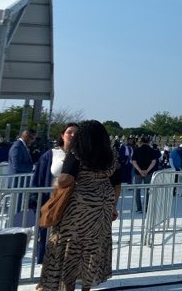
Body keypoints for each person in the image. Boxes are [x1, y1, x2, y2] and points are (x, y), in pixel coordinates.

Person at [39, 119, 122, 291]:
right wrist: (112, 206)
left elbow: (66, 179)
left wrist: (56, 183)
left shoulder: (78, 152)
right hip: (103, 205)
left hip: (79, 207)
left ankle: (67, 286)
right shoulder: (111, 155)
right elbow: (117, 184)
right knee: (93, 247)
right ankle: (86, 287)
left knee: (71, 247)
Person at [30, 122, 78, 265]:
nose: (73, 135)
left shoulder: (82, 156)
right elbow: (38, 179)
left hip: (72, 205)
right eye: (69, 132)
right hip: (52, 204)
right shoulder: (50, 155)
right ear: (62, 135)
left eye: (76, 133)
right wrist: (35, 202)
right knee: (48, 241)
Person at [131, 136, 157, 213]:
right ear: (149, 142)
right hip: (148, 173)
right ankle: (147, 207)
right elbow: (153, 162)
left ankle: (139, 208)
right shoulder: (152, 150)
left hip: (138, 172)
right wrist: (147, 170)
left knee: (137, 190)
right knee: (148, 190)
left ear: (141, 142)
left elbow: (134, 162)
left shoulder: (137, 150)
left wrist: (140, 170)